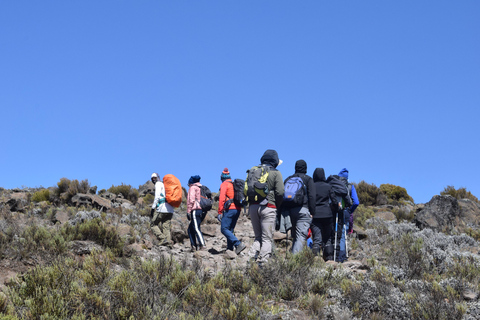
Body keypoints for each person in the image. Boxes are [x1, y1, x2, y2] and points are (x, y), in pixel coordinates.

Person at [246, 149, 284, 264]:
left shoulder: (254, 171)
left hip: (253, 207)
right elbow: (280, 192)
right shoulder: (276, 173)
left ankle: (250, 260)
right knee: (267, 238)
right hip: (268, 206)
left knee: (258, 237)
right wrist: (277, 204)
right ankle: (263, 263)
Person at [281, 160, 316, 254]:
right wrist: (312, 212)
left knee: (295, 236)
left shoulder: (288, 179)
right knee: (301, 236)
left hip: (289, 211)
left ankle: (293, 258)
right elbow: (312, 196)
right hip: (303, 210)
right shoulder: (308, 179)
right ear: (306, 168)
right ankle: (295, 260)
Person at [311, 168, 339, 260]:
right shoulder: (328, 186)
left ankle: (315, 260)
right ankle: (329, 260)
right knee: (328, 239)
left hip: (315, 215)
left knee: (317, 239)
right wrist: (335, 208)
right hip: (327, 215)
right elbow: (334, 201)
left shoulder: (311, 186)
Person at [218, 168, 246, 255]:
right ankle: (230, 249)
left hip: (229, 209)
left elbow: (222, 198)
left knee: (224, 229)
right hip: (237, 209)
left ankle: (238, 244)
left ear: (222, 177)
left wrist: (220, 211)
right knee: (230, 229)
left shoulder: (224, 184)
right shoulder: (234, 185)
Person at [337, 168, 360, 262]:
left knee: (335, 232)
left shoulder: (335, 184)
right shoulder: (351, 186)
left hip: (336, 211)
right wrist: (350, 210)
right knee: (343, 234)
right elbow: (356, 202)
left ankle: (333, 253)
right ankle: (342, 256)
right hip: (346, 211)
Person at [150, 173, 174, 248]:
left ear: (157, 178)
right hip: (170, 209)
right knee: (166, 226)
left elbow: (157, 196)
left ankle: (163, 239)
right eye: (152, 178)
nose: (154, 180)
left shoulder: (158, 184)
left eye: (154, 178)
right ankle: (168, 243)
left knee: (153, 224)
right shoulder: (166, 185)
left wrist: (153, 208)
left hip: (162, 207)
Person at [187, 175, 206, 251]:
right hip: (201, 210)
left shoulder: (193, 188)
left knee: (196, 228)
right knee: (190, 229)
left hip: (195, 210)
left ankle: (202, 245)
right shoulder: (200, 188)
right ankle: (193, 246)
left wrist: (188, 211)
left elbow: (191, 200)